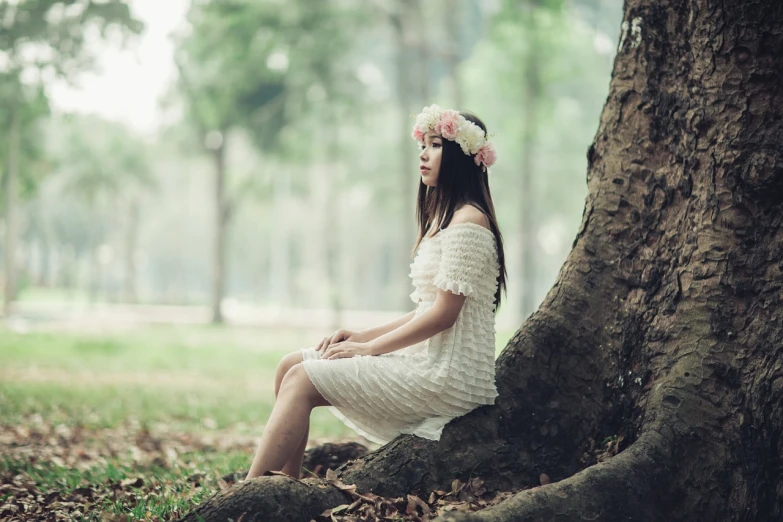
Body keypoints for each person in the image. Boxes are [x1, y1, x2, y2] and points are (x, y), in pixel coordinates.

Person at [245, 104, 507, 480]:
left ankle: (249, 494)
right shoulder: (446, 220)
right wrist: (360, 336)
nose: (423, 153)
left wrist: (369, 350)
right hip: (426, 363)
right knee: (290, 364)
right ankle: (285, 486)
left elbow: (443, 316)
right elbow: (426, 309)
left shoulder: (470, 222)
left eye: (435, 145)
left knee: (301, 378)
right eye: (424, 144)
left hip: (449, 378)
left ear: (462, 157)